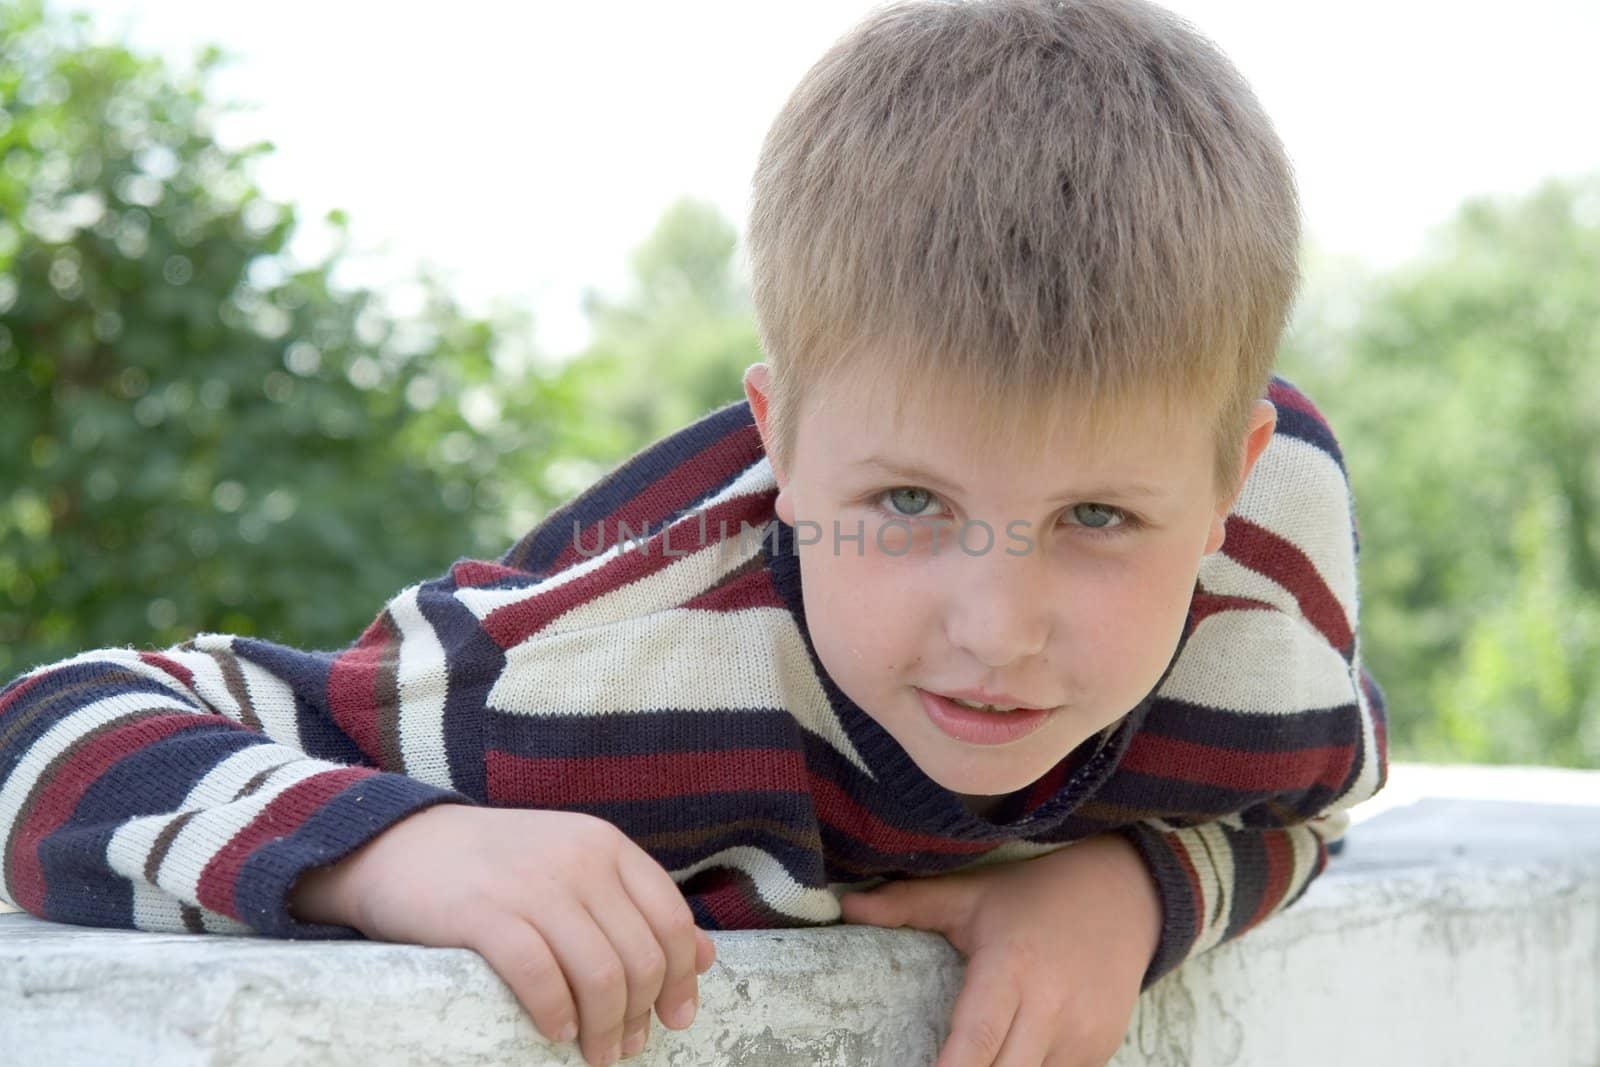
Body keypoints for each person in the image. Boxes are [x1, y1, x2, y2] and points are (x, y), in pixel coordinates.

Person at [0, 1, 1387, 1065]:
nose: (995, 626)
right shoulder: (570, 693)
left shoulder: (1265, 607)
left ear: (1228, 485)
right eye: (907, 504)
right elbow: (47, 728)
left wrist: (1140, 887)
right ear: (782, 443)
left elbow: (1320, 790)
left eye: (1099, 519)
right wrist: (402, 848)